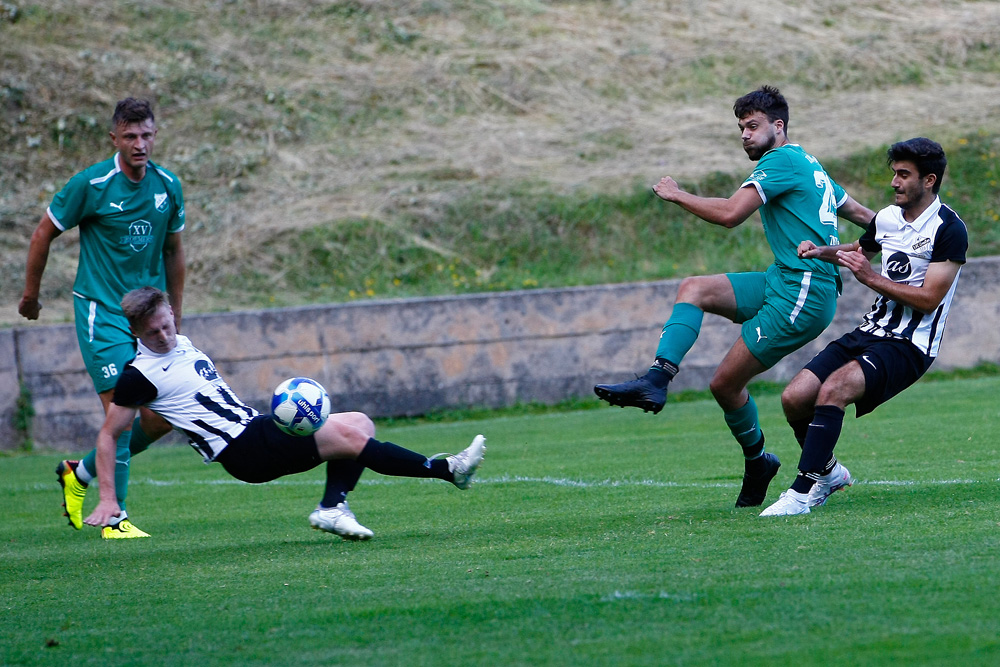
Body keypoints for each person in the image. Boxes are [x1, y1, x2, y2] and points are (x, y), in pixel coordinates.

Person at [593, 85, 875, 507]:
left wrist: (677, 193)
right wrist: (891, 237)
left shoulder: (780, 161)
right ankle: (657, 379)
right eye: (741, 127)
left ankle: (795, 466)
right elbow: (867, 218)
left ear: (778, 127)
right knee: (695, 288)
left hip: (802, 292)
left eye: (753, 125)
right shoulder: (810, 165)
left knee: (725, 383)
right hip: (785, 279)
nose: (744, 134)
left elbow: (729, 214)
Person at [82, 286, 487, 540]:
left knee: (359, 422)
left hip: (253, 427)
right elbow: (108, 435)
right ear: (137, 333)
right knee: (348, 439)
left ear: (171, 313)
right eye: (153, 333)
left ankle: (332, 508)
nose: (165, 335)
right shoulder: (139, 374)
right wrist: (106, 497)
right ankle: (449, 470)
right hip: (241, 450)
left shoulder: (181, 341)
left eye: (167, 324)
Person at [760, 138, 967, 516]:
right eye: (894, 173)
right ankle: (829, 472)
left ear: (930, 180)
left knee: (834, 389)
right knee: (794, 397)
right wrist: (820, 250)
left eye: (904, 175)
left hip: (911, 344)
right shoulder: (887, 217)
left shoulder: (949, 229)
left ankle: (802, 493)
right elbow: (859, 251)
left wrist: (871, 279)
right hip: (871, 330)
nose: (895, 182)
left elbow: (929, 299)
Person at [19, 98, 185, 538]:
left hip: (148, 320)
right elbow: (43, 233)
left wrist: (175, 317)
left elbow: (174, 252)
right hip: (101, 312)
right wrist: (31, 296)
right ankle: (115, 516)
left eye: (146, 135)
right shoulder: (91, 184)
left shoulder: (168, 186)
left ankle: (81, 473)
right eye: (130, 136)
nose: (140, 144)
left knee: (164, 416)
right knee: (123, 415)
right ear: (114, 138)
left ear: (155, 135)